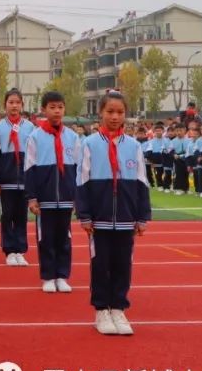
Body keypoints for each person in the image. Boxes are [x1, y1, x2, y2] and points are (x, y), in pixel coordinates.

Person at [76, 90, 150, 336]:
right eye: (110, 112)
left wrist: (142, 216)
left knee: (122, 265)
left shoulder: (134, 146)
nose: (115, 117)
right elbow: (82, 181)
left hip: (127, 218)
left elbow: (141, 182)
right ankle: (101, 310)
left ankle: (118, 307)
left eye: (120, 112)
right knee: (100, 264)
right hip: (100, 218)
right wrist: (84, 215)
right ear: (100, 113)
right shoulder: (89, 144)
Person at [24, 91, 80, 294]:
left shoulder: (73, 137)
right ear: (44, 110)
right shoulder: (35, 137)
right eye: (52, 107)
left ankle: (62, 275)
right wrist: (32, 197)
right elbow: (29, 168)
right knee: (45, 238)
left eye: (60, 107)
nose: (57, 111)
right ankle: (48, 276)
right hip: (44, 198)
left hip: (65, 197)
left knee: (64, 238)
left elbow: (78, 169)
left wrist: (76, 196)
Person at [0, 89, 36, 266]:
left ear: (22, 105)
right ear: (5, 105)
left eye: (17, 102)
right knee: (7, 215)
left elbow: (33, 156)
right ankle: (9, 250)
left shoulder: (30, 127)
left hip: (24, 180)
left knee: (21, 216)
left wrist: (33, 180)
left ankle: (20, 250)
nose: (14, 106)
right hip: (6, 180)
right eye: (11, 102)